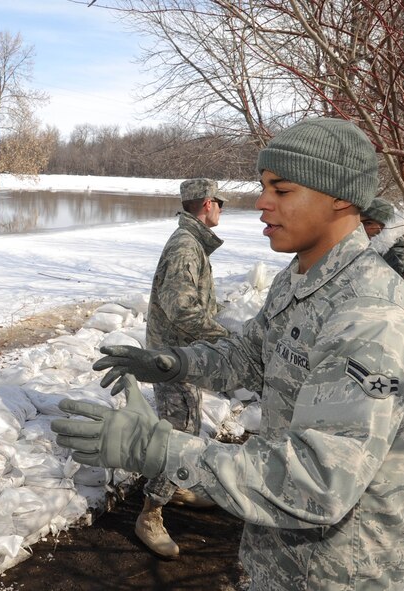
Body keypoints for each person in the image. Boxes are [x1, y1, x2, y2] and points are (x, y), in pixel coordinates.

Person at [53, 117, 404, 590]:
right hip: (285, 551)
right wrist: (176, 363)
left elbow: (320, 481)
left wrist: (160, 449)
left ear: (340, 197)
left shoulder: (372, 319)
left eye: (282, 189)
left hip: (340, 568)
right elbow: (252, 355)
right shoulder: (299, 278)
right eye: (263, 187)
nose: (261, 202)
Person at [137, 178, 229, 558]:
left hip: (184, 353)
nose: (221, 208)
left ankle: (176, 485)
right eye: (220, 202)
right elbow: (181, 309)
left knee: (188, 425)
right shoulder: (185, 247)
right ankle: (150, 513)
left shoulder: (192, 243)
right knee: (178, 432)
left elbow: (192, 303)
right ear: (207, 204)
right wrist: (225, 335)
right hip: (172, 358)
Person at [360, 197, 404, 300]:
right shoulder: (379, 250)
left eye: (368, 223)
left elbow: (402, 299)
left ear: (384, 225)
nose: (362, 228)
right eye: (360, 223)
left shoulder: (397, 256)